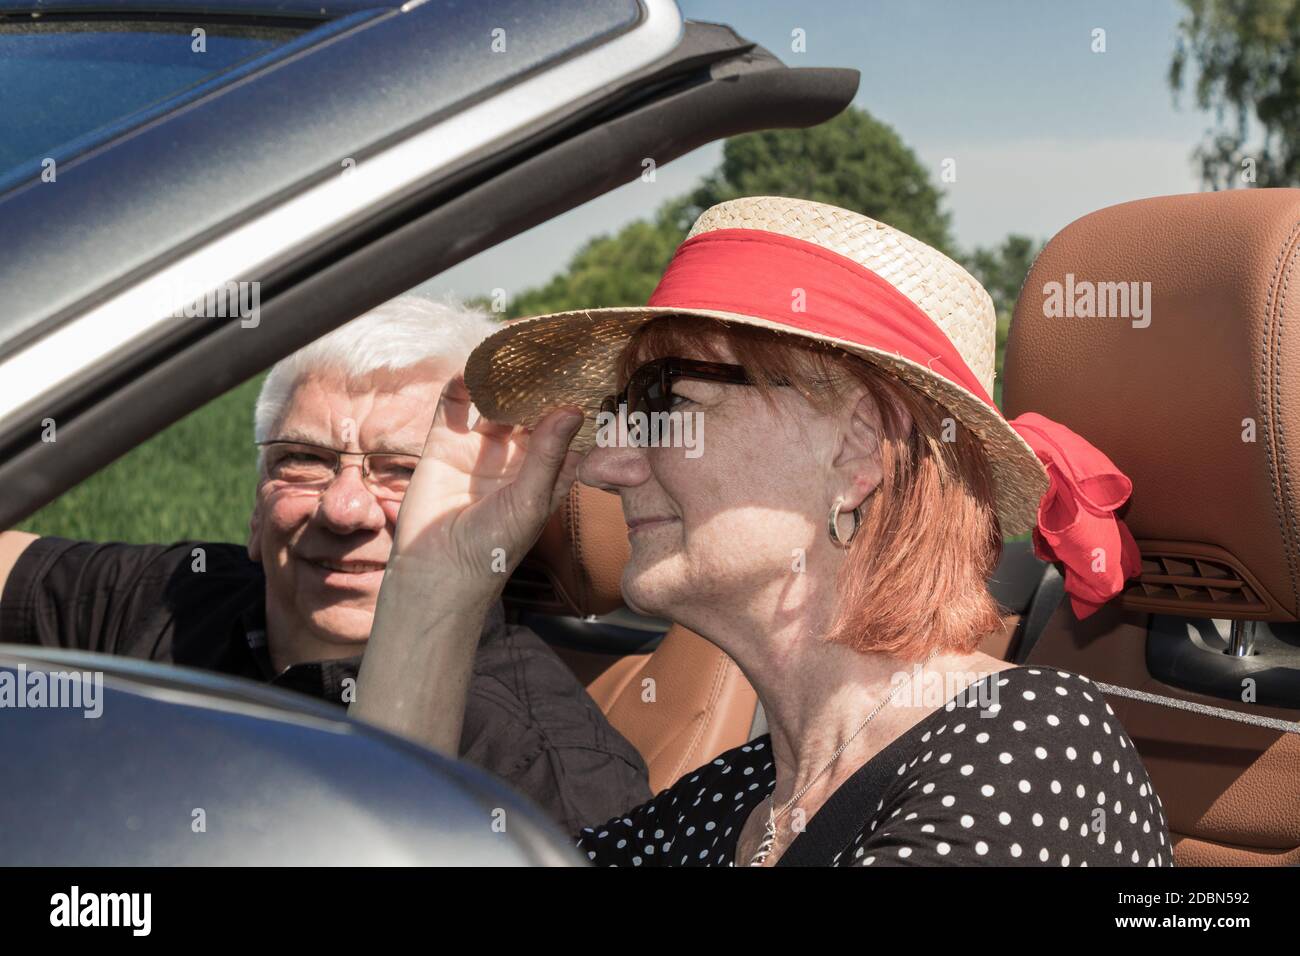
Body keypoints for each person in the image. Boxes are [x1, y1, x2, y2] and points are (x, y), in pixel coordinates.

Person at [351, 196, 1172, 867]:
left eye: (665, 403)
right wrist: (438, 578)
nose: (605, 466)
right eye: (622, 411)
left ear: (856, 447)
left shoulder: (1031, 754)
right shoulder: (738, 798)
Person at [0, 294, 652, 834]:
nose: (344, 509)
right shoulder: (174, 592)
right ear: (256, 506)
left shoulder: (543, 771)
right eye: (303, 460)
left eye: (405, 472)